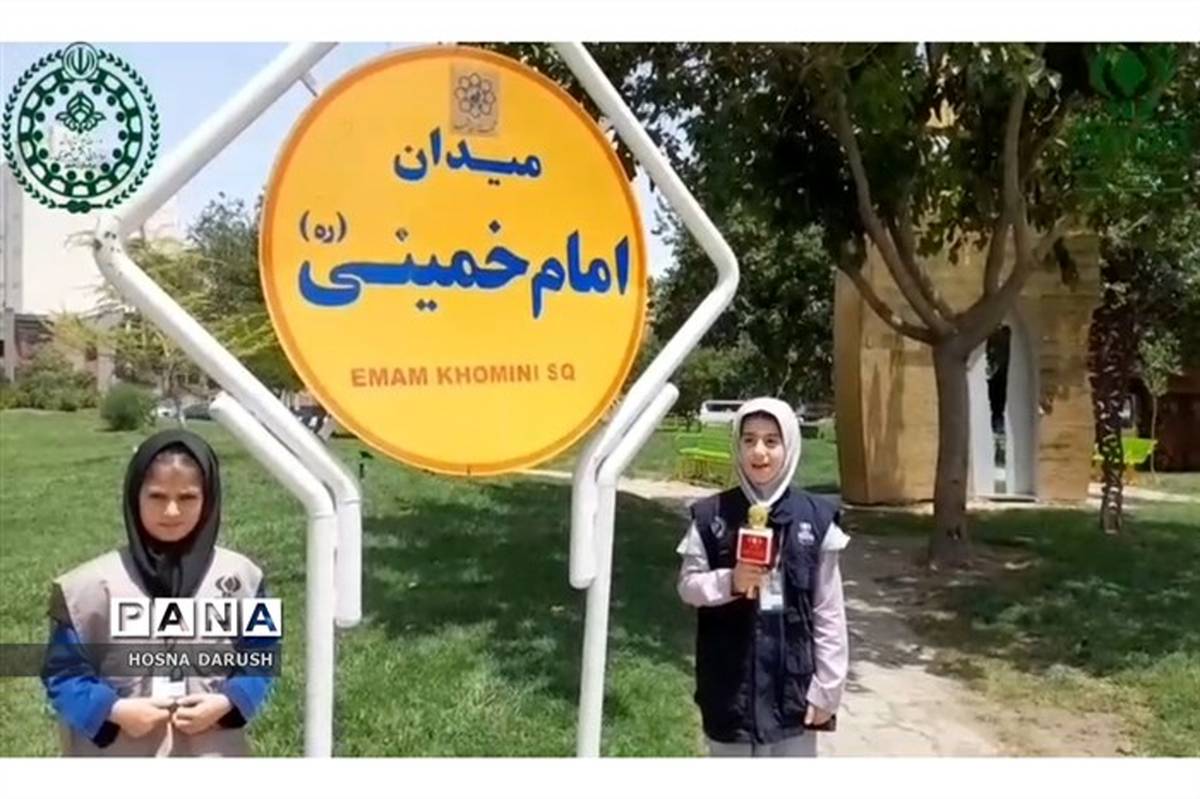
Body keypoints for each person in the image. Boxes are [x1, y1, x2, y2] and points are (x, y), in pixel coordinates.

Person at [40, 429, 277, 756]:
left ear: (208, 499)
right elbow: (62, 672)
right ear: (134, 495)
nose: (171, 512)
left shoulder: (245, 579)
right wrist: (114, 710)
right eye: (157, 496)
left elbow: (263, 655)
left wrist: (228, 702)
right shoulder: (87, 588)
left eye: (187, 498)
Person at [676, 397, 850, 757]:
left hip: (793, 692)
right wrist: (731, 581)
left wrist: (828, 689)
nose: (759, 451)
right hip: (729, 689)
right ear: (737, 445)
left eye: (771, 441)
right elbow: (688, 586)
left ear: (790, 445)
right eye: (749, 439)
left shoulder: (816, 519)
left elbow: (829, 611)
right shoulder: (711, 516)